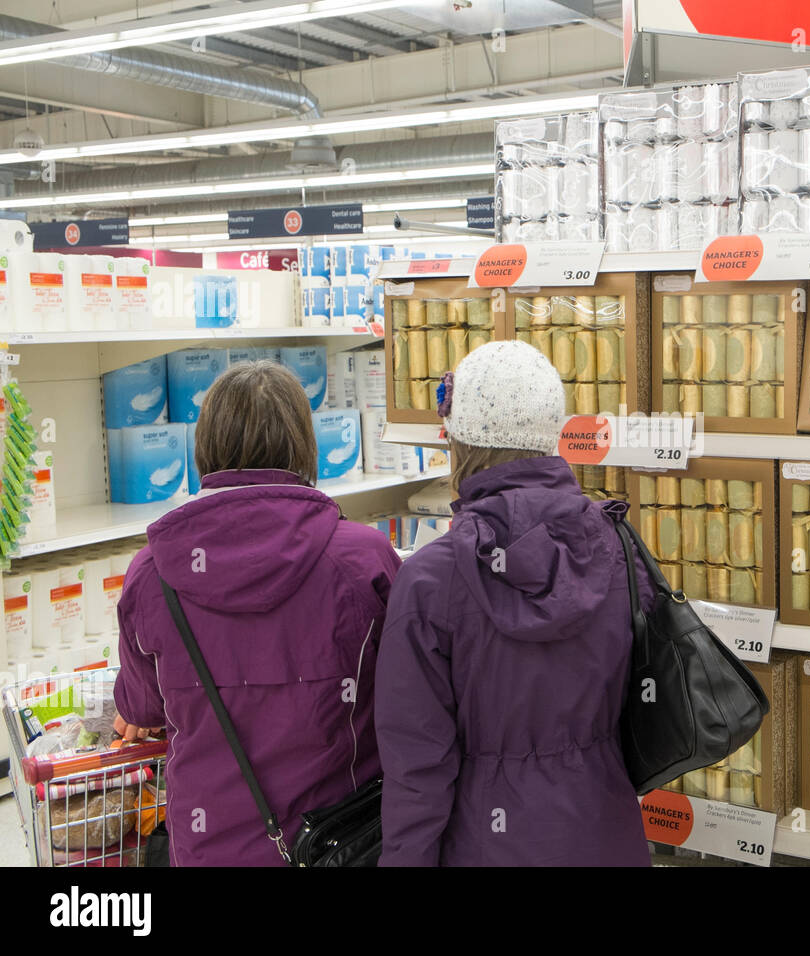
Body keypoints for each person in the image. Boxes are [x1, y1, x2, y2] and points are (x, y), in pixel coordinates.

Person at [113, 361, 401, 866]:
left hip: (211, 846)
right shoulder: (363, 558)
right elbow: (411, 693)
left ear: (204, 446)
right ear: (302, 444)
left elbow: (143, 710)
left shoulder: (151, 574)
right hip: (345, 842)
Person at [376, 340, 651, 866]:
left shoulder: (430, 580)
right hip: (604, 831)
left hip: (484, 841)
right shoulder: (619, 549)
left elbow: (418, 769)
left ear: (457, 440)